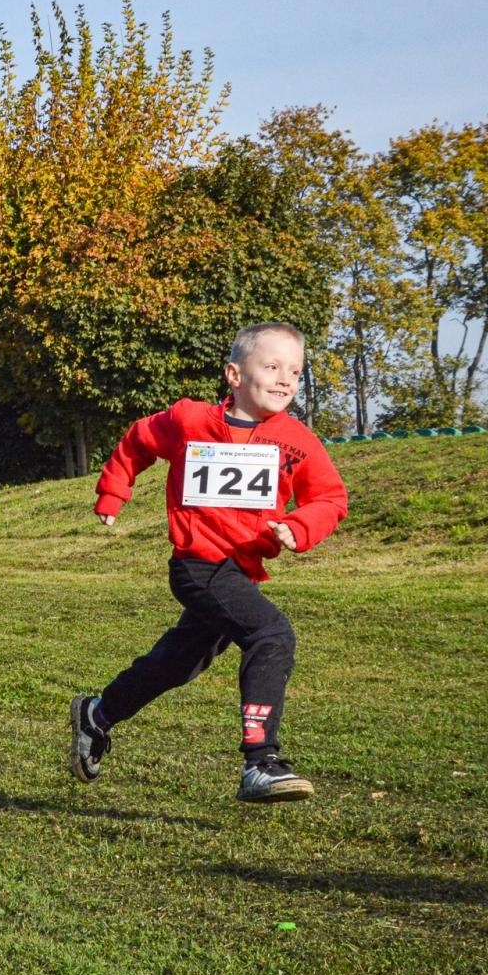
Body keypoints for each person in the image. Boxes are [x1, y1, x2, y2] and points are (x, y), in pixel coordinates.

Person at [70, 322, 348, 804]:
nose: (286, 379)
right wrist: (114, 492)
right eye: (272, 366)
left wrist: (300, 526)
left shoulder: (297, 440)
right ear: (234, 375)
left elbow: (330, 497)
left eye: (296, 372)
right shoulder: (189, 420)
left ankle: (97, 714)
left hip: (239, 572)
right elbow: (139, 440)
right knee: (271, 634)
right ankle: (260, 762)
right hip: (198, 565)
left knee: (178, 663)